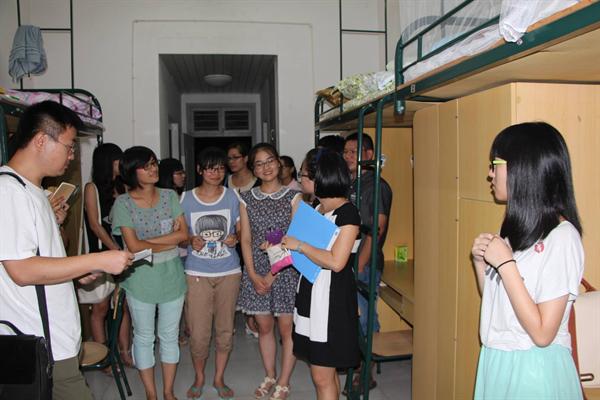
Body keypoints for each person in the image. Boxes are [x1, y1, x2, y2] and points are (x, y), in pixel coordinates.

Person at [0, 101, 132, 400]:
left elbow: (42, 259)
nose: (72, 156)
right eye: (69, 146)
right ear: (40, 140)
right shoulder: (8, 191)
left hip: (57, 340)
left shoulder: (34, 190)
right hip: (39, 344)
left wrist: (76, 272)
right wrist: (96, 258)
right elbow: (21, 270)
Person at [471, 122, 584, 399]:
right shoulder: (516, 228)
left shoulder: (563, 237)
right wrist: (482, 265)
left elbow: (543, 333)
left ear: (524, 168)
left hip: (534, 370)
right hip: (498, 360)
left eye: (495, 164)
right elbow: (501, 303)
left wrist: (505, 264)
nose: (490, 174)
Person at [282, 148, 361, 400]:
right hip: (312, 291)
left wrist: (300, 245)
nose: (300, 180)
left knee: (322, 375)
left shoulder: (347, 213)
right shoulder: (317, 208)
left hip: (330, 300)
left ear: (319, 178)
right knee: (324, 372)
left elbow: (337, 262)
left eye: (303, 174)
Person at [111, 146, 189, 400]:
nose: (153, 169)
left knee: (169, 336)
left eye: (154, 163)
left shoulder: (169, 196)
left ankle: (168, 392)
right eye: (146, 166)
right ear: (131, 172)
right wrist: (167, 240)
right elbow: (133, 247)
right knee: (143, 337)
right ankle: (151, 394)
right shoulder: (123, 203)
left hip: (171, 276)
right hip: (140, 278)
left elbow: (183, 235)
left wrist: (147, 243)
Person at [236, 143, 301, 400]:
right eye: (259, 163)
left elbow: (294, 240)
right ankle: (270, 375)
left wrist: (270, 276)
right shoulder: (246, 198)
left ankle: (284, 381)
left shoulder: (294, 197)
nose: (266, 167)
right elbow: (246, 240)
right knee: (264, 327)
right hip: (257, 269)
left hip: (285, 270)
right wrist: (252, 274)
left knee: (286, 329)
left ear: (279, 162)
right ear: (253, 169)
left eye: (270, 160)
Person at [180, 147, 242, 399]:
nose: (216, 173)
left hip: (229, 271)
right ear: (199, 170)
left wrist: (235, 238)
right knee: (199, 332)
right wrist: (189, 240)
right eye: (210, 168)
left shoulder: (233, 197)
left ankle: (218, 377)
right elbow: (179, 235)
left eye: (220, 168)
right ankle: (199, 377)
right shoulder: (185, 199)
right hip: (197, 273)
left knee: (225, 329)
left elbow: (241, 231)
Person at [343, 132, 392, 390]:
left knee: (365, 316)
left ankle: (367, 371)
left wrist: (359, 264)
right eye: (346, 152)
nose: (348, 156)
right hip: (347, 258)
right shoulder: (351, 184)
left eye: (354, 151)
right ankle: (356, 361)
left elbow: (377, 229)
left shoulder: (377, 186)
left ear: (369, 155)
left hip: (365, 262)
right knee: (351, 315)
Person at [81, 142, 133, 367]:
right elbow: (95, 224)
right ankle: (104, 359)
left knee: (122, 306)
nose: (121, 164)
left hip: (123, 252)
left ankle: (125, 352)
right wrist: (114, 249)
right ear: (107, 162)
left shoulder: (123, 187)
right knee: (101, 307)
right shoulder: (91, 188)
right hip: (102, 253)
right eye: (117, 160)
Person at [225, 141, 260, 338]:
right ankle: (232, 318)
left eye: (235, 157)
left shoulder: (257, 180)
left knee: (251, 275)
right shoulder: (226, 181)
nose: (231, 162)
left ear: (246, 158)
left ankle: (252, 317)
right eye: (229, 158)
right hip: (230, 237)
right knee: (234, 279)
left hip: (253, 236)